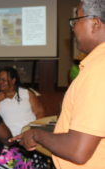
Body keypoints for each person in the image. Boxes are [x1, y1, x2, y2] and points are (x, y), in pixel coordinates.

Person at [10, 0, 105, 168]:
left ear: (95, 23)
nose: (73, 27)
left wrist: (36, 135)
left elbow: (77, 150)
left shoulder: (98, 70)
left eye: (77, 20)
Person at [0, 67, 45, 136]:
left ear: (13, 81)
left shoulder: (26, 93)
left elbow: (40, 113)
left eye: (4, 80)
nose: (0, 82)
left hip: (28, 134)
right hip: (7, 137)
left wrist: (34, 131)